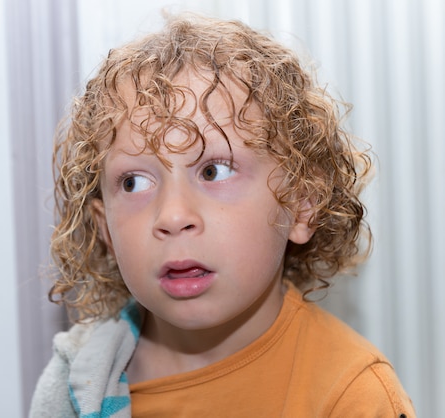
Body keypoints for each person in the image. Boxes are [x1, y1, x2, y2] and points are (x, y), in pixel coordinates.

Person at [30, 13, 415, 417]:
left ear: (303, 202)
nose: (173, 215)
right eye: (134, 183)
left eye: (214, 171)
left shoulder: (350, 395)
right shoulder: (77, 383)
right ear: (104, 227)